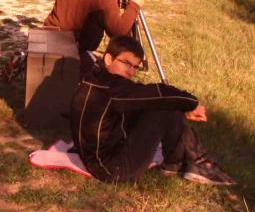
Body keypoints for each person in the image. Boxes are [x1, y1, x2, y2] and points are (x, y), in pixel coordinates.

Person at [70, 35, 233, 185]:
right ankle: (195, 162)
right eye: (126, 63)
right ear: (108, 58)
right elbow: (158, 93)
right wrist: (192, 104)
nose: (131, 72)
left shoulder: (94, 78)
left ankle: (177, 163)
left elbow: (140, 97)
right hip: (112, 170)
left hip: (99, 159)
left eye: (135, 67)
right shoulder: (113, 89)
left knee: (161, 103)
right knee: (163, 105)